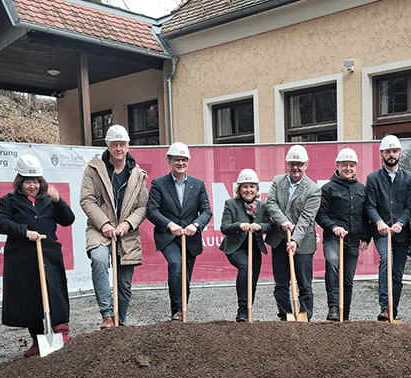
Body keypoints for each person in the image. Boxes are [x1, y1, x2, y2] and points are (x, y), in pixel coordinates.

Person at [0, 154, 75, 356]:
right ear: (20, 182)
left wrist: (58, 201)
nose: (32, 186)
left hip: (49, 254)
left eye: (36, 182)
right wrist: (24, 231)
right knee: (29, 296)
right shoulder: (8, 201)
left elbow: (68, 220)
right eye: (27, 182)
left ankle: (61, 331)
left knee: (55, 291)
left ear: (41, 182)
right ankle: (38, 339)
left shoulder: (49, 200)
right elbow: (0, 223)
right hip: (22, 257)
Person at [80, 124, 148, 329]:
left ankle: (121, 322)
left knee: (124, 283)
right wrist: (104, 224)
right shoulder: (94, 169)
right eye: (114, 144)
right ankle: (107, 315)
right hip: (99, 229)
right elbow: (87, 200)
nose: (119, 148)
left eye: (122, 144)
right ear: (108, 146)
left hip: (127, 232)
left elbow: (143, 206)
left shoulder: (138, 174)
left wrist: (128, 224)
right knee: (99, 259)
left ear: (128, 146)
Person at [146, 142, 213, 320]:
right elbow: (152, 211)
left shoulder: (198, 185)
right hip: (168, 237)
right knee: (176, 265)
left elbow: (206, 211)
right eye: (177, 159)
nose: (180, 163)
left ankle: (182, 310)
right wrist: (169, 224)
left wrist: (195, 225)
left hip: (190, 238)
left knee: (185, 277)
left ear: (188, 161)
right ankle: (177, 311)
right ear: (169, 161)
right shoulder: (159, 184)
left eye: (184, 160)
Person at [365, 135, 411, 321]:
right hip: (382, 233)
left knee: (397, 273)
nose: (391, 154)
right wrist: (379, 221)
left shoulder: (410, 178)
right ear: (381, 154)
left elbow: (410, 206)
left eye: (394, 151)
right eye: (387, 151)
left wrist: (401, 223)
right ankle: (384, 306)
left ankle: (392, 310)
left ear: (400, 153)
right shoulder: (373, 179)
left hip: (401, 233)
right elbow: (370, 206)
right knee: (386, 260)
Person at [265, 144, 322, 321]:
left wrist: (295, 240)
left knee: (304, 284)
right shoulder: (278, 181)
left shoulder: (313, 189)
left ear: (306, 165)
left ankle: (305, 316)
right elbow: (270, 203)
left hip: (303, 243)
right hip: (279, 239)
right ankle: (285, 315)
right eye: (292, 163)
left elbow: (306, 219)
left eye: (299, 164)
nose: (295, 167)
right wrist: (283, 221)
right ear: (287, 164)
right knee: (281, 283)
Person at [315, 148, 371, 321]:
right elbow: (320, 215)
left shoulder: (361, 189)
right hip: (333, 238)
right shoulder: (327, 189)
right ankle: (333, 308)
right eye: (344, 165)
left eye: (351, 165)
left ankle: (344, 315)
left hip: (353, 240)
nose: (348, 168)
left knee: (347, 279)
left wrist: (366, 236)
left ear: (355, 167)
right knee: (332, 264)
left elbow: (366, 215)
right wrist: (333, 227)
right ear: (337, 166)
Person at [219, 168, 272, 322]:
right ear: (239, 189)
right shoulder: (231, 204)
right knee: (245, 266)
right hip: (235, 247)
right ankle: (242, 308)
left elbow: (269, 225)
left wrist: (260, 227)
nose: (248, 190)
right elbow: (224, 227)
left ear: (257, 189)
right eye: (245, 186)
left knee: (253, 278)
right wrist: (239, 225)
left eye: (252, 186)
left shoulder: (262, 206)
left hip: (255, 247)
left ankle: (248, 309)